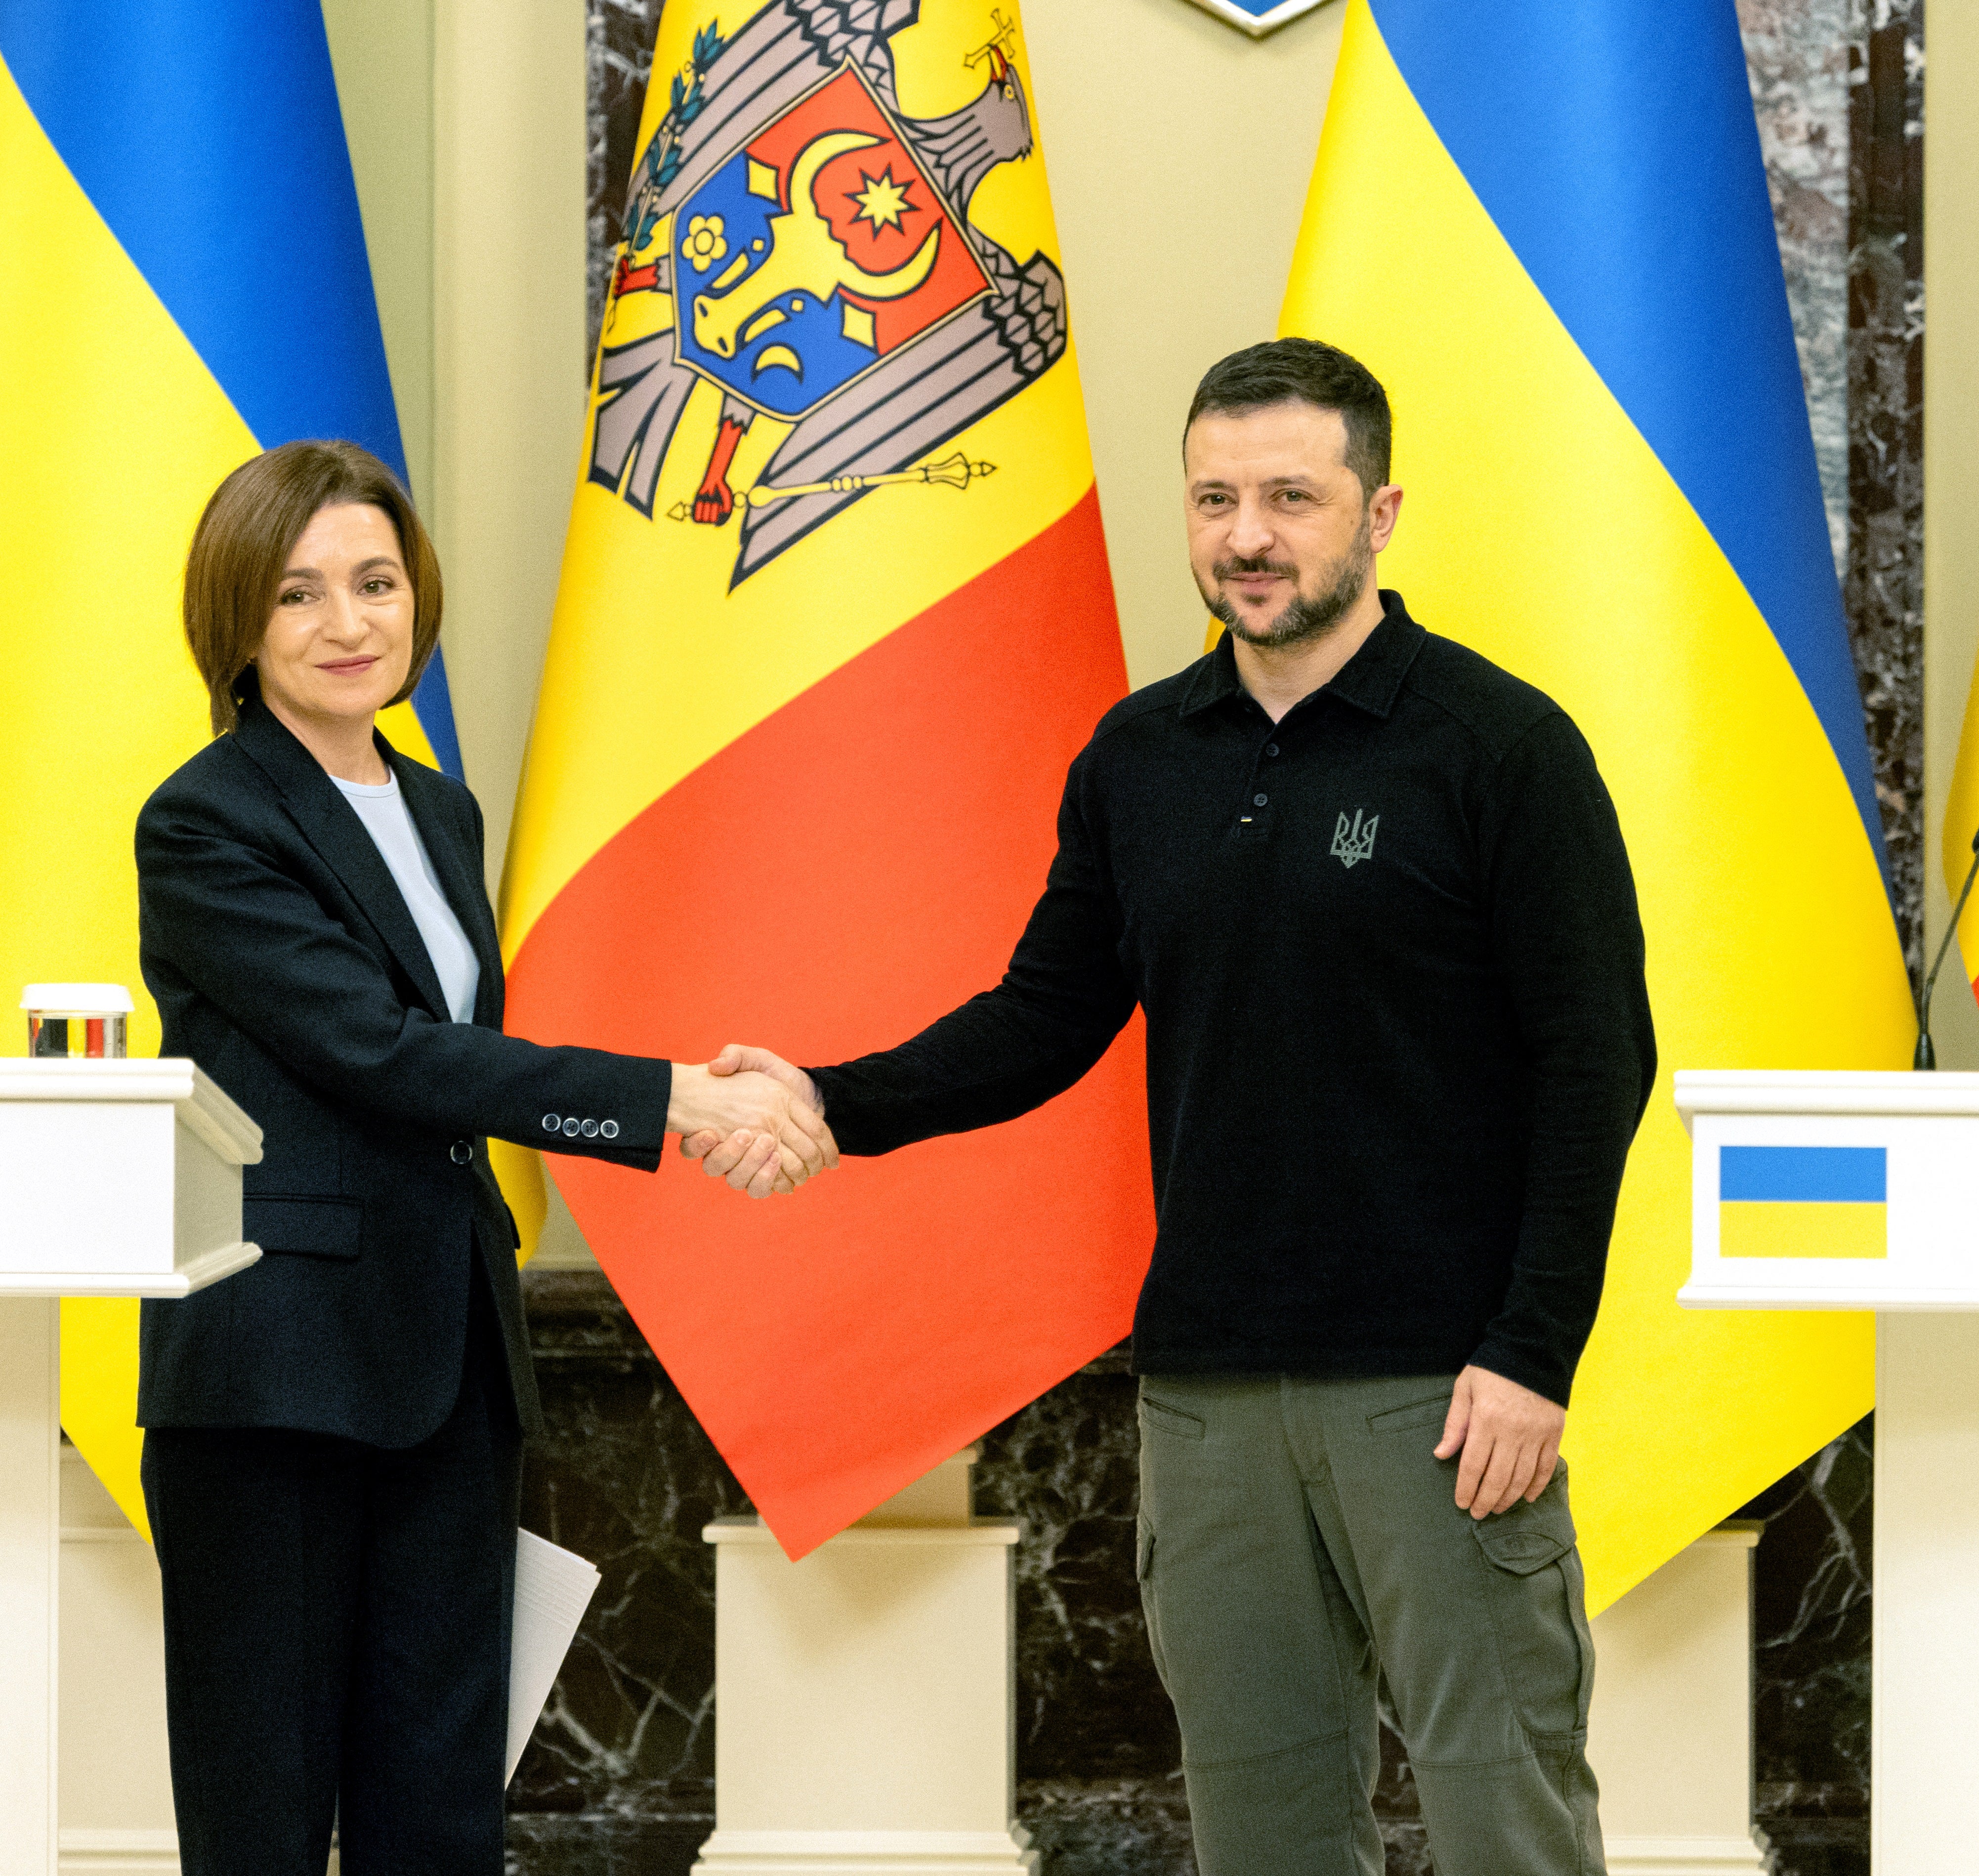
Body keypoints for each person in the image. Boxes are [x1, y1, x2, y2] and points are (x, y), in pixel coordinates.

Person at [688, 339, 1656, 1875]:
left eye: (1291, 496)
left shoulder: (1502, 750)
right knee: (1260, 1836)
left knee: (1507, 1821)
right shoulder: (1141, 758)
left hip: (1443, 1403)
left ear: (1381, 512)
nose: (1248, 536)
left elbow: (1599, 1062)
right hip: (1207, 1397)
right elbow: (1041, 1022)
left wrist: (1533, 1351)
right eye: (1216, 499)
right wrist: (827, 1098)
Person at [131, 438, 836, 1876]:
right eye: (300, 594)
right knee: (262, 1811)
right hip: (277, 1375)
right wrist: (672, 1103)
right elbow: (381, 1054)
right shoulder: (206, 822)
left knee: (442, 1805)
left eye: (376, 583)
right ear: (238, 625)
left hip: (449, 1360)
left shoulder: (437, 808)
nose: (349, 624)